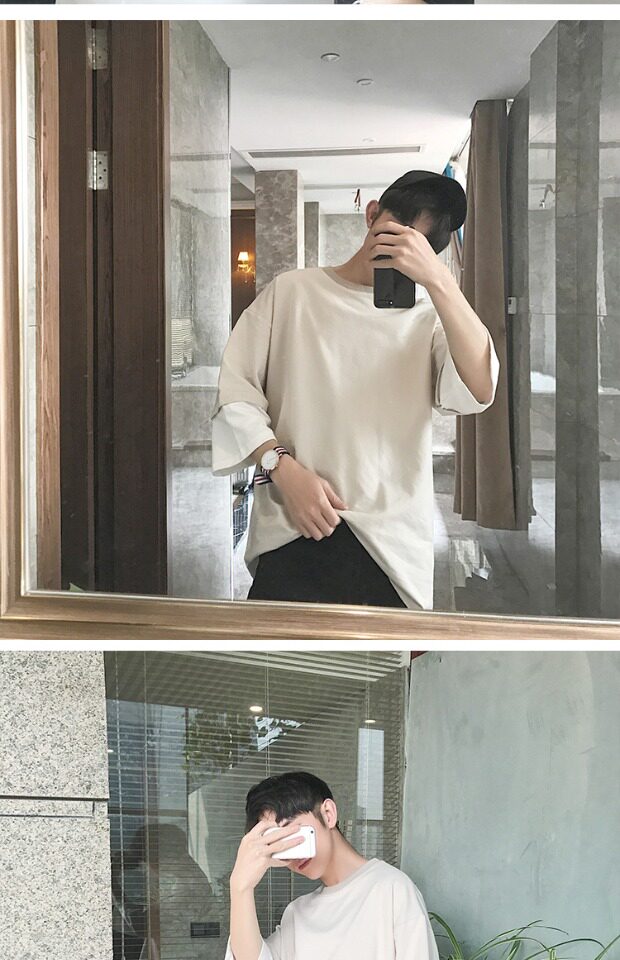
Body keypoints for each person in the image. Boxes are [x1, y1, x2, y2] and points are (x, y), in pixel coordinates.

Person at [211, 170, 499, 610]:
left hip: (393, 546)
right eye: (396, 234)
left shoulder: (430, 316)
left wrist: (441, 283)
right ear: (372, 215)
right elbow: (236, 394)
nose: (400, 253)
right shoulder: (292, 293)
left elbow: (479, 390)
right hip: (292, 523)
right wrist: (281, 469)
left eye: (418, 247)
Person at [225, 771, 439, 960]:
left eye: (291, 833)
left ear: (328, 814)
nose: (291, 851)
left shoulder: (392, 890)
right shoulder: (297, 913)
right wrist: (240, 887)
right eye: (277, 842)